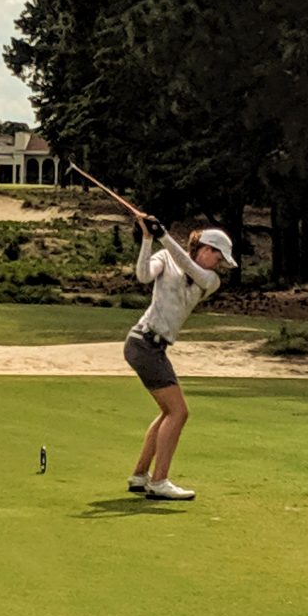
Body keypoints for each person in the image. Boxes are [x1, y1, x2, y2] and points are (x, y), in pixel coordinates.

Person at [123, 215, 236, 501]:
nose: (219, 264)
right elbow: (143, 275)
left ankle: (140, 476)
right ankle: (159, 481)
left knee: (168, 413)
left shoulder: (210, 280)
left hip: (153, 348)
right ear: (206, 249)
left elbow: (189, 266)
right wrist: (149, 239)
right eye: (219, 258)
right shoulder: (165, 256)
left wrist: (162, 235)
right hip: (143, 342)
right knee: (178, 413)